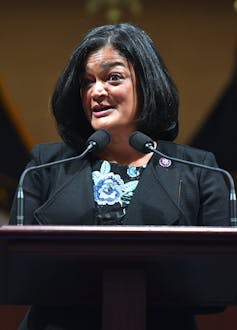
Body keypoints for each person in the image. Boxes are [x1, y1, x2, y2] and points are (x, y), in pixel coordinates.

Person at [9, 23, 229, 330]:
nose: (96, 91)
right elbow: (18, 272)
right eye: (87, 82)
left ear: (147, 83)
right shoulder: (45, 166)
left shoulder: (198, 169)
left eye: (113, 77)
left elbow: (219, 281)